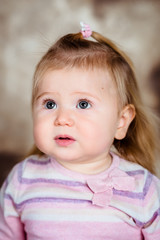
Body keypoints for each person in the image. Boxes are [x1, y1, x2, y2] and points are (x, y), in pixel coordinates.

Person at [0, 22, 160, 240]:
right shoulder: (22, 179)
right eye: (49, 104)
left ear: (121, 122)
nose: (62, 119)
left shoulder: (144, 189)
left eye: (83, 104)